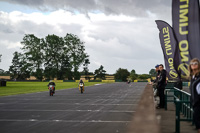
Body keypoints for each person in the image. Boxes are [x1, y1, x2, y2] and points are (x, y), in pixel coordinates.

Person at [188, 58, 200, 133]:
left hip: (199, 103)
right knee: (196, 121)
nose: (193, 65)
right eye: (192, 64)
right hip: (195, 102)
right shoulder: (193, 77)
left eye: (195, 63)